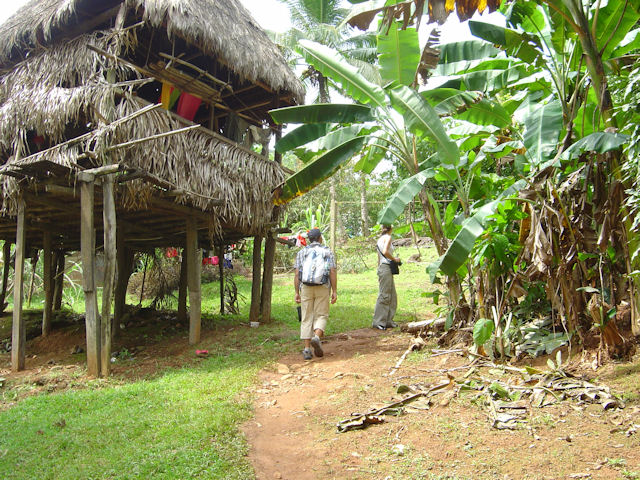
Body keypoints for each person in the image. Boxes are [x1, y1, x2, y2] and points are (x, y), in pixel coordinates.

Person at [294, 228, 337, 360]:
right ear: (320, 238)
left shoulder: (302, 252)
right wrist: (334, 291)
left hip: (306, 287)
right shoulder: (327, 251)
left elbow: (297, 274)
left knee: (306, 316)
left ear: (309, 239)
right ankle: (317, 337)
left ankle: (307, 349)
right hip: (322, 286)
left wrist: (297, 292)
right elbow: (332, 272)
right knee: (321, 314)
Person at [372, 224, 399, 330]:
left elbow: (379, 257)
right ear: (390, 228)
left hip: (383, 268)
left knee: (392, 295)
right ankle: (378, 321)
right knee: (384, 295)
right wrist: (394, 259)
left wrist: (378, 269)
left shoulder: (380, 239)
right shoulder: (388, 237)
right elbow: (385, 252)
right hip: (386, 267)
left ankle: (388, 321)